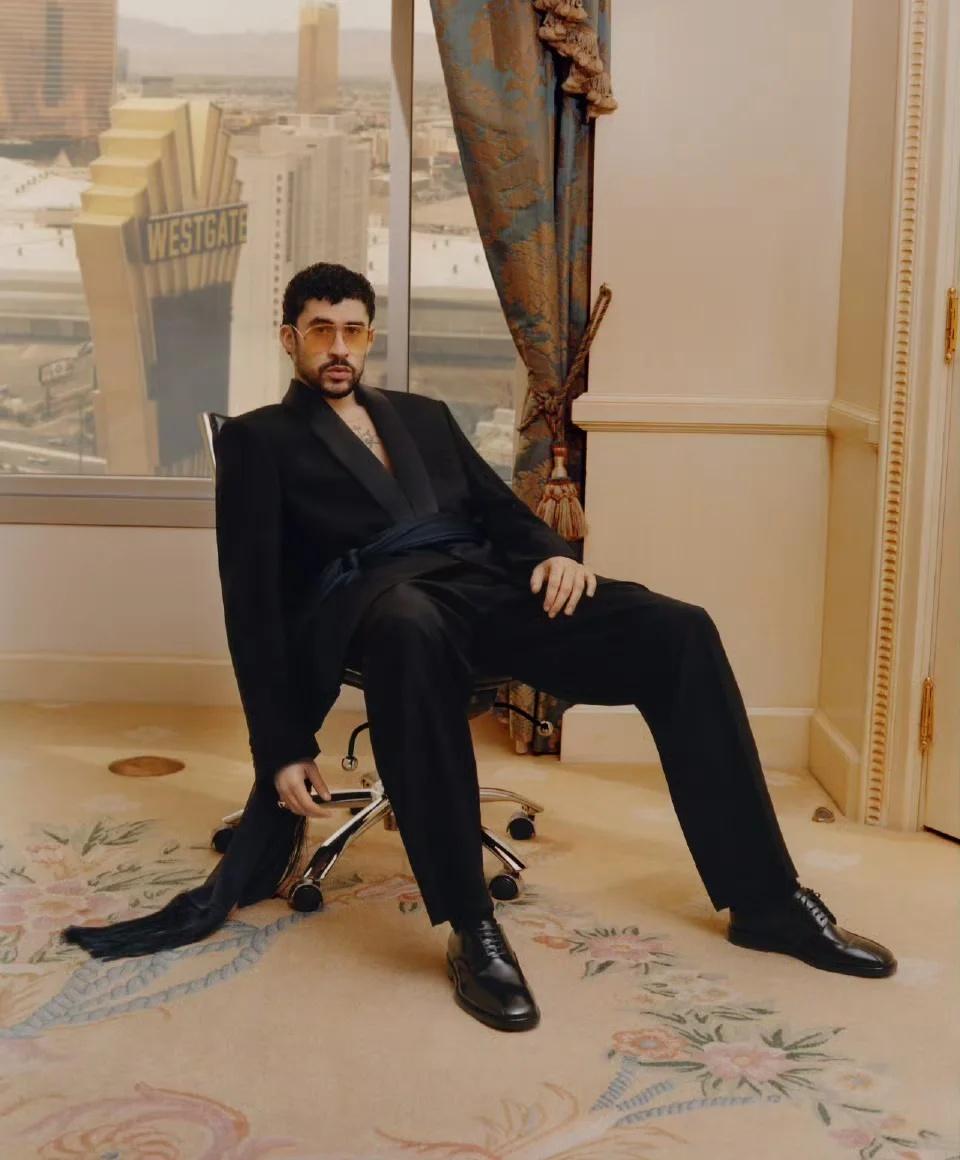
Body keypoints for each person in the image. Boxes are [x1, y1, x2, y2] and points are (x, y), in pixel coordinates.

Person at [61, 263, 895, 1031]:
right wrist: (279, 744)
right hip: (375, 606)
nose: (339, 347)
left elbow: (499, 513)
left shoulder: (423, 416)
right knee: (410, 627)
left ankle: (766, 901)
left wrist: (554, 555)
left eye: (353, 330)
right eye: (320, 330)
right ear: (290, 338)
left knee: (680, 630)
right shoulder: (259, 440)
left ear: (369, 336)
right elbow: (250, 603)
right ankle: (472, 925)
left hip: (483, 588)